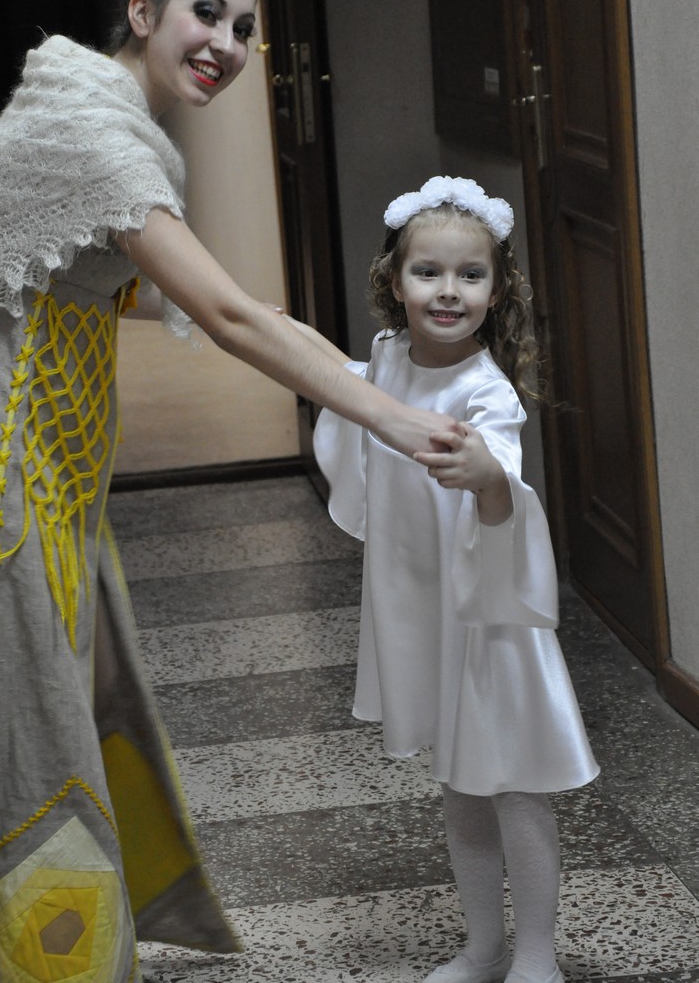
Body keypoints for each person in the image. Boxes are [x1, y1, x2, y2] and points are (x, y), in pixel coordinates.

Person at [0, 0, 456, 983]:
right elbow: (230, 315)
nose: (226, 45)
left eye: (243, 29)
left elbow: (227, 307)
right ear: (142, 13)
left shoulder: (104, 117)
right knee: (20, 707)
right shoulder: (89, 133)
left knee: (49, 683)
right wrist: (388, 418)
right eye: (206, 13)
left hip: (35, 463)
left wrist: (367, 385)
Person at [308, 177, 599, 983]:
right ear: (393, 282)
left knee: (512, 784)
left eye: (470, 275)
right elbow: (336, 381)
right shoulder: (385, 360)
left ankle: (535, 955)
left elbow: (503, 490)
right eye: (427, 272)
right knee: (460, 785)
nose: (448, 291)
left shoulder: (484, 392)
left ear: (496, 290)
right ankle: (483, 947)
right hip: (424, 612)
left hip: (487, 618)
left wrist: (486, 476)